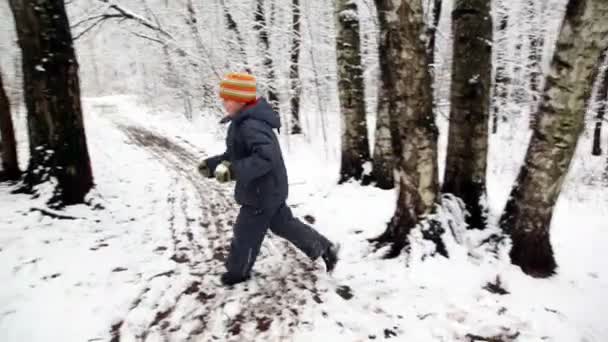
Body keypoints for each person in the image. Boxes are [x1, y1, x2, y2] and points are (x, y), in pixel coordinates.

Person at [198, 72, 339, 286]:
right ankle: (325, 248)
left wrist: (234, 171)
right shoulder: (243, 122)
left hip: (260, 193)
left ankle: (238, 273)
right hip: (268, 188)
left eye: (228, 98)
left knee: (245, 234)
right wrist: (213, 165)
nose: (224, 102)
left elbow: (265, 157)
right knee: (284, 224)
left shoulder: (251, 125)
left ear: (241, 100)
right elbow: (237, 156)